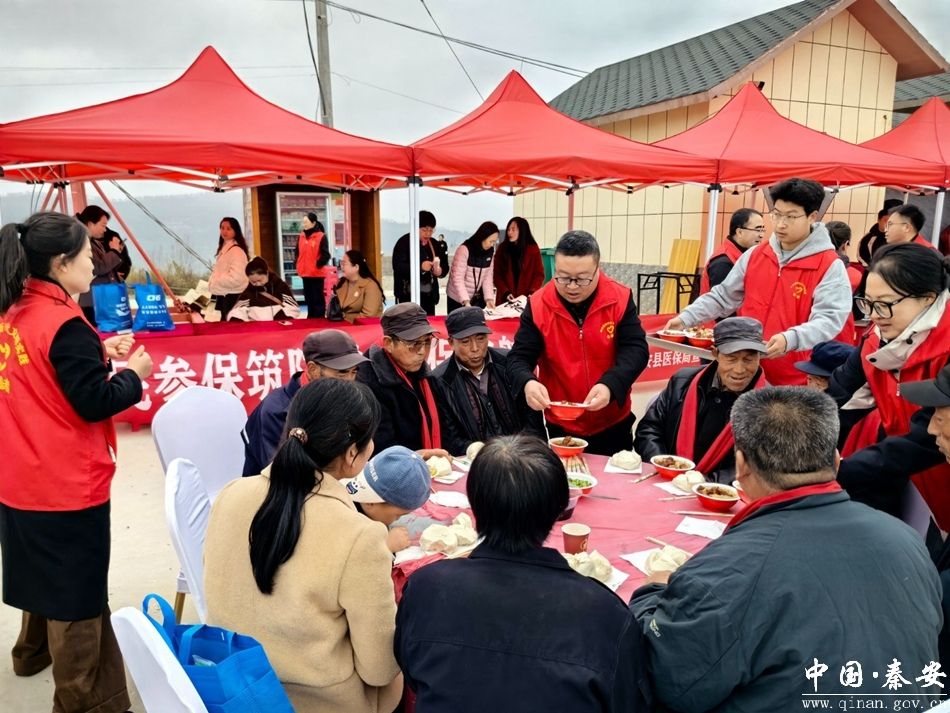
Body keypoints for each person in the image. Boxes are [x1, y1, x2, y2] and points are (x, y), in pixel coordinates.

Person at [630, 387, 942, 712]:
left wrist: (652, 594)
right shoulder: (907, 540)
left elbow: (670, 680)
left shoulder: (728, 569)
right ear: (837, 461)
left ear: (741, 465)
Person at [0, 211, 153, 713]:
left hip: (18, 473)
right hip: (64, 482)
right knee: (77, 595)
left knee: (39, 573)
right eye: (89, 255)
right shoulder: (62, 323)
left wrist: (98, 352)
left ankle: (30, 654)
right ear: (61, 262)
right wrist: (133, 373)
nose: (95, 264)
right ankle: (84, 701)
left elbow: (42, 371)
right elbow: (93, 401)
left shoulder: (14, 307)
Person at [395, 435, 652, 713]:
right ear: (559, 509)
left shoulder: (427, 587)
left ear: (475, 505)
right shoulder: (605, 613)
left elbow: (411, 669)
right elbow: (628, 701)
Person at [205, 379, 402, 713]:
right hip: (316, 703)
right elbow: (379, 669)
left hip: (236, 688)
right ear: (352, 454)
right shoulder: (360, 536)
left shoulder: (231, 493)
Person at [665, 177, 852, 386]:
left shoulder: (829, 265)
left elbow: (829, 320)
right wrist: (687, 318)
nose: (780, 224)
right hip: (748, 372)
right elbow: (723, 296)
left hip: (795, 378)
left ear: (812, 216)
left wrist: (790, 339)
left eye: (791, 216)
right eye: (776, 214)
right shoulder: (756, 254)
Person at [829, 243, 950, 525]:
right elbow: (839, 397)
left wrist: (841, 470)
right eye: (867, 303)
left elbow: (927, 437)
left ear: (928, 298)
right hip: (912, 481)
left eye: (884, 304)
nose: (873, 315)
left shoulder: (945, 348)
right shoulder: (877, 340)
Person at [508, 230, 649, 455]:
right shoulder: (538, 305)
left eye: (582, 279)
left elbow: (636, 350)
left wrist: (610, 385)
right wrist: (527, 383)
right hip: (561, 424)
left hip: (612, 419)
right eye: (563, 277)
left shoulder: (619, 298)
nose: (572, 286)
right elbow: (518, 358)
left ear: (597, 268)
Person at [634, 317, 768, 484]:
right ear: (715, 353)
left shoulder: (770, 405)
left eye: (749, 359)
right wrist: (666, 466)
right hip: (666, 480)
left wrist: (704, 484)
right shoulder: (683, 382)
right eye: (731, 358)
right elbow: (649, 429)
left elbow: (762, 464)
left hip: (722, 492)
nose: (740, 369)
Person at [243, 329, 368, 476]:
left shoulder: (345, 397)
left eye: (354, 372)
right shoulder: (276, 412)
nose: (350, 381)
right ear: (313, 369)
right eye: (342, 373)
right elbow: (283, 475)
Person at [432, 306, 537, 454]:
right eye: (465, 342)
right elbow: (450, 437)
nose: (475, 348)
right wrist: (475, 450)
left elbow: (532, 418)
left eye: (481, 339)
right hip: (475, 459)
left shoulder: (510, 364)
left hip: (521, 452)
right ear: (451, 342)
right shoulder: (440, 381)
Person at [356, 303, 456, 453]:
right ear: (389, 343)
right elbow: (381, 449)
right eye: (414, 344)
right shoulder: (368, 383)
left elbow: (446, 429)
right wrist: (419, 457)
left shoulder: (425, 376)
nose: (422, 352)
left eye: (427, 342)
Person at [343, 445, 432, 554]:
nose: (397, 519)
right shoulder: (347, 521)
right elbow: (345, 559)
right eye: (398, 515)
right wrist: (386, 546)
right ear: (370, 501)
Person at [392, 210, 448, 316]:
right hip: (407, 295)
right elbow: (398, 267)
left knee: (428, 322)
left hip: (429, 295)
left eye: (431, 230)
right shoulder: (403, 243)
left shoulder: (435, 244)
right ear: (415, 227)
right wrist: (420, 267)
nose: (428, 234)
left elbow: (445, 266)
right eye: (424, 230)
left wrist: (440, 271)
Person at [698, 208, 764, 294]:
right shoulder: (723, 263)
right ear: (739, 232)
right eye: (758, 230)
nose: (761, 235)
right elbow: (720, 300)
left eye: (762, 230)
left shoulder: (745, 255)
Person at [75, 205, 121, 326]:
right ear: (90, 224)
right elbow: (96, 267)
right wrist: (114, 251)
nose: (105, 230)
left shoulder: (89, 240)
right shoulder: (81, 241)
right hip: (91, 301)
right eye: (103, 225)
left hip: (96, 299)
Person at [446, 221, 499, 312]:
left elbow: (487, 278)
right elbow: (457, 278)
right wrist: (465, 301)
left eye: (494, 242)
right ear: (482, 237)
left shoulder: (490, 253)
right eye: (491, 241)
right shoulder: (464, 250)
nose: (492, 245)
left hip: (474, 298)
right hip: (456, 297)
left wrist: (489, 298)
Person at [227, 256, 300, 322]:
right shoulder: (248, 292)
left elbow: (293, 307)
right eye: (253, 282)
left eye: (260, 280)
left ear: (267, 273)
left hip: (278, 326)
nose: (257, 284)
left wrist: (281, 317)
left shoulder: (280, 286)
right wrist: (237, 319)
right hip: (257, 329)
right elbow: (237, 310)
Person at [493, 216, 545, 302]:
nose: (509, 232)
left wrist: (532, 292)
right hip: (505, 299)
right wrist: (505, 292)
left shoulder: (533, 249)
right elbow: (496, 274)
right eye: (508, 229)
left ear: (522, 231)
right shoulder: (502, 249)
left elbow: (539, 275)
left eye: (513, 229)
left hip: (527, 299)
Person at [208, 216, 249, 319]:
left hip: (232, 298)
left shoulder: (237, 251)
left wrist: (216, 281)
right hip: (224, 296)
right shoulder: (226, 249)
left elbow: (237, 278)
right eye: (222, 228)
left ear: (235, 231)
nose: (224, 231)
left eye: (228, 228)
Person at [296, 213, 332, 319]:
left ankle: (319, 318)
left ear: (313, 223)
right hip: (305, 272)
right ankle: (311, 317)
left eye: (306, 222)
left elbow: (326, 254)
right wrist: (297, 262)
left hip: (316, 273)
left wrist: (317, 264)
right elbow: (297, 252)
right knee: (308, 297)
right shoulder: (301, 236)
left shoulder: (321, 236)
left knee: (317, 298)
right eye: (303, 222)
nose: (304, 224)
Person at [334, 249, 384, 322]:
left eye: (344, 264)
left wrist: (346, 322)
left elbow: (367, 316)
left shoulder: (371, 286)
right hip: (344, 325)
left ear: (356, 267)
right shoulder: (342, 283)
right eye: (341, 263)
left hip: (364, 326)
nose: (341, 267)